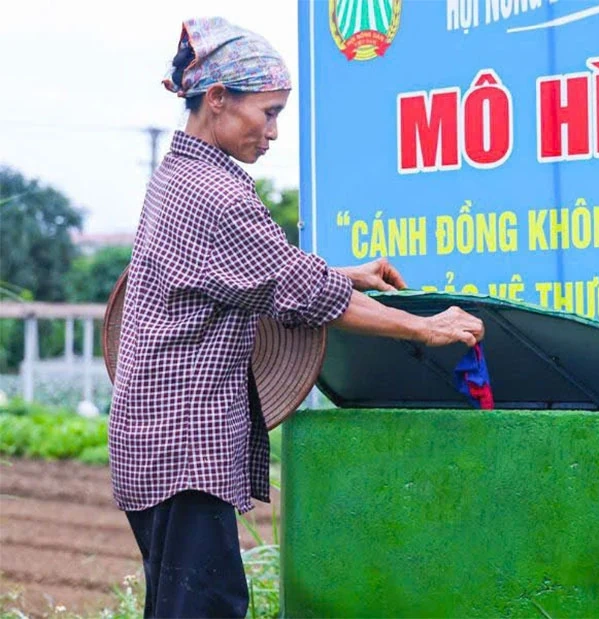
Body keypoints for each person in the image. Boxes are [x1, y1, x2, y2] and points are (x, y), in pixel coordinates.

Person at [108, 16, 484, 618]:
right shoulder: (215, 193)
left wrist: (347, 274)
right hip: (181, 448)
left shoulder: (179, 178)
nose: (275, 132)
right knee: (206, 608)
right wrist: (425, 327)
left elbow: (261, 271)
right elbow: (296, 289)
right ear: (218, 100)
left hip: (156, 442)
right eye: (270, 112)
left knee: (184, 606)